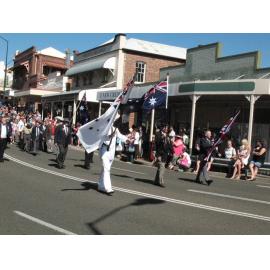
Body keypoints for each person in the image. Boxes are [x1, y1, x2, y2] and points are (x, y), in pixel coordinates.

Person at [98, 115, 128, 194]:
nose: (116, 121)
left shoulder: (115, 129)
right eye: (116, 119)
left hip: (111, 152)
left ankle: (100, 185)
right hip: (104, 150)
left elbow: (120, 136)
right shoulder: (105, 127)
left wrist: (128, 139)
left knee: (105, 169)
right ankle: (108, 188)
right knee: (106, 169)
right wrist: (110, 136)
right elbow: (102, 138)